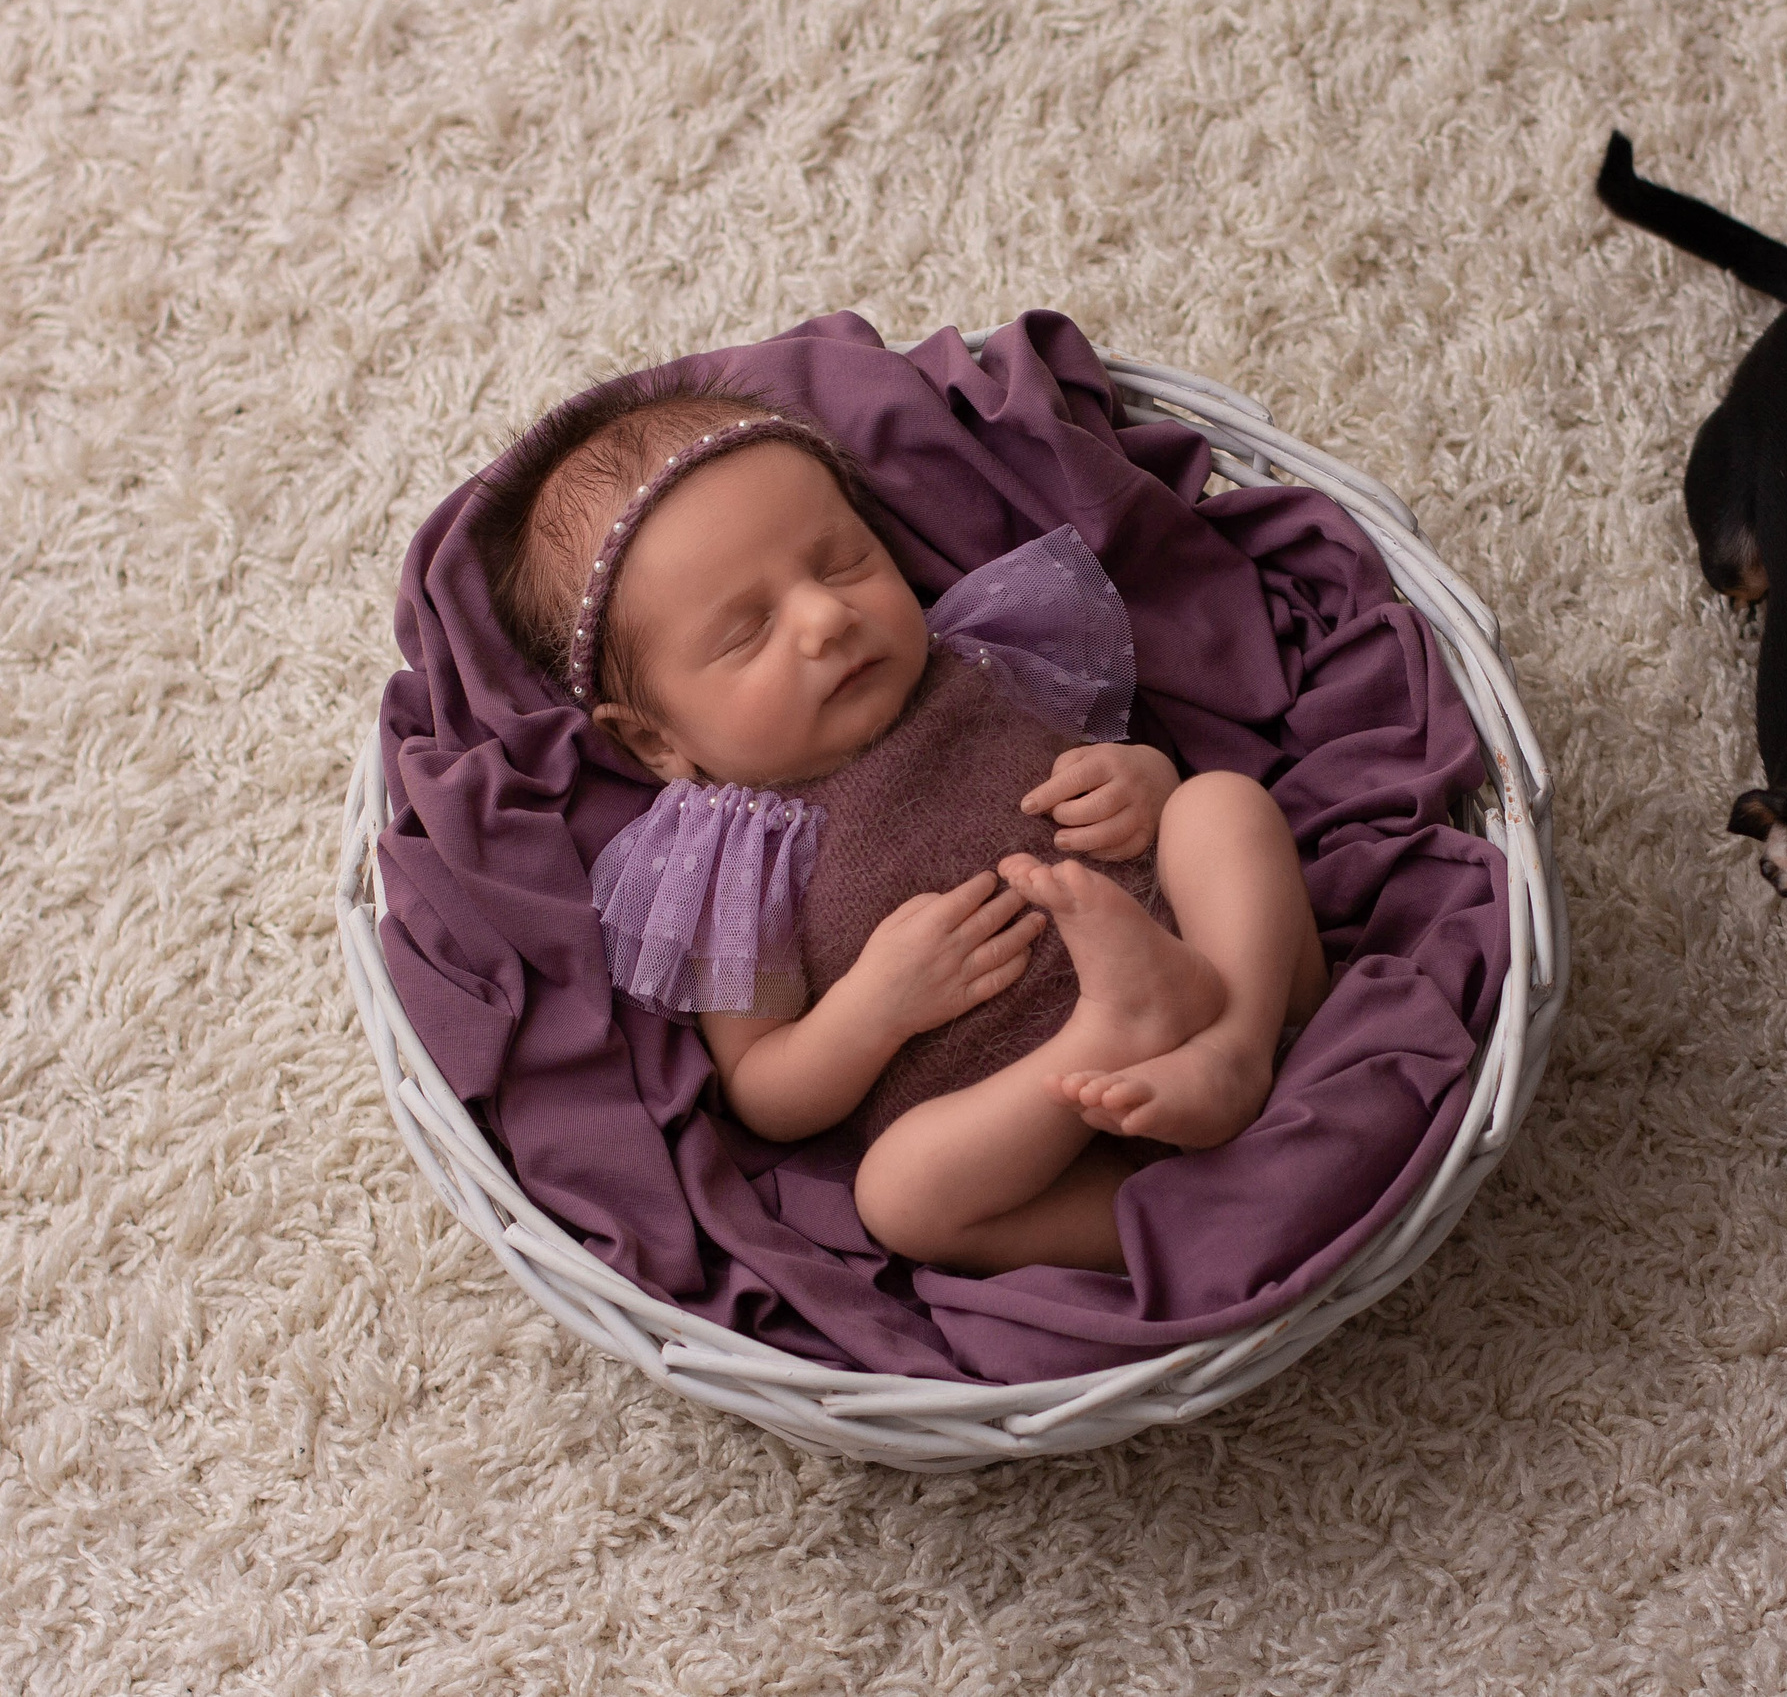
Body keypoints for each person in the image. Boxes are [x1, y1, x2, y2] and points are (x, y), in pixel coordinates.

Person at [474, 379, 1327, 1276]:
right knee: (899, 1194)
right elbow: (762, 1084)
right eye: (746, 632)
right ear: (654, 738)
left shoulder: (981, 652)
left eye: (843, 563)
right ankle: (1172, 1216)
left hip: (1209, 973)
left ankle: (1239, 1042)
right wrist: (871, 1006)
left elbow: (1132, 759)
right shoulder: (722, 851)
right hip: (1036, 1117)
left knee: (1219, 806)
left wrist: (1141, 784)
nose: (825, 618)